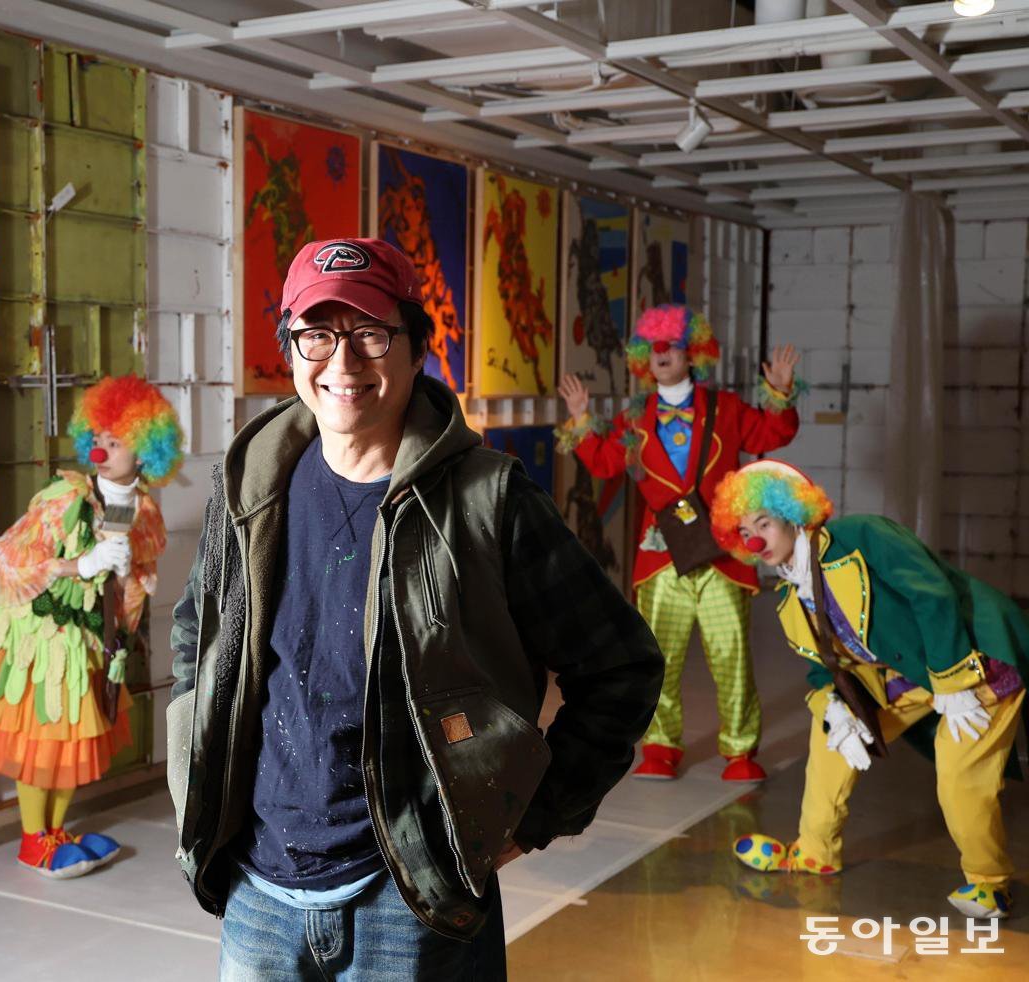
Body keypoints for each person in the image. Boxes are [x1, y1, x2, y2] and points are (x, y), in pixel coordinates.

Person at [166, 238, 663, 979]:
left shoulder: (489, 500)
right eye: (316, 334)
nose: (342, 362)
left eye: (370, 333)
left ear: (417, 348)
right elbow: (196, 629)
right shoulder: (249, 486)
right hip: (256, 892)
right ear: (291, 347)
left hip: (412, 897)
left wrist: (533, 817)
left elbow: (620, 668)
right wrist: (194, 759)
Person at [0, 376, 182, 878]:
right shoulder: (63, 499)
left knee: (72, 739)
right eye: (99, 438)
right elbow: (9, 567)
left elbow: (133, 589)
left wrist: (122, 589)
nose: (102, 451)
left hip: (87, 638)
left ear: (146, 451)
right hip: (37, 634)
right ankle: (33, 841)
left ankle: (56, 833)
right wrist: (80, 565)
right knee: (42, 739)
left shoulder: (144, 512)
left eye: (117, 442)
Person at [717, 460, 1025, 919]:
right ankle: (815, 852)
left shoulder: (862, 537)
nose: (755, 541)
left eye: (764, 524)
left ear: (794, 515)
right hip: (908, 675)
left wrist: (953, 679)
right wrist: (835, 708)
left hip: (974, 656)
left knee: (960, 768)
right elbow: (823, 669)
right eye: (745, 531)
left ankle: (990, 881)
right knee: (831, 735)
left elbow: (932, 594)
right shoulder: (790, 596)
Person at [556, 305, 802, 782]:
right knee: (659, 659)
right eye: (654, 348)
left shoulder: (725, 408)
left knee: (732, 657)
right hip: (661, 556)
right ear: (644, 358)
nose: (662, 353)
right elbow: (605, 463)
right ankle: (661, 746)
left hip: (721, 554)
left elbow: (774, 431)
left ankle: (740, 751)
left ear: (694, 353)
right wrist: (582, 418)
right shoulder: (634, 419)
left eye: (672, 345)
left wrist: (780, 392)